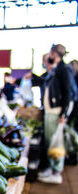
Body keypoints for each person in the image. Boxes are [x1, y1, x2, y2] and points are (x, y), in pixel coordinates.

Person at [36, 44, 75, 184]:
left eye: (50, 54)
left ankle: (56, 172)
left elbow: (67, 93)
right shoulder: (56, 69)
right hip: (51, 111)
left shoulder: (64, 69)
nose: (48, 56)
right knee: (50, 142)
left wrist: (63, 114)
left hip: (57, 111)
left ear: (54, 54)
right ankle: (51, 169)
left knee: (56, 143)